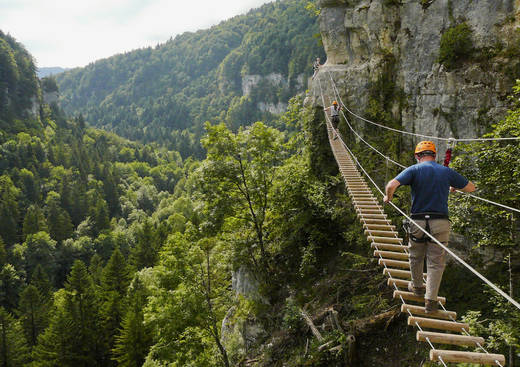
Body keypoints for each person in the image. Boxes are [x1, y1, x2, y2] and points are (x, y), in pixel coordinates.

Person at [383, 141, 475, 313]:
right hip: (440, 222)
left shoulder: (414, 169)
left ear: (417, 156)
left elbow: (391, 185)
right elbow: (471, 188)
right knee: (436, 262)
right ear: (434, 155)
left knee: (416, 256)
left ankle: (417, 288)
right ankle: (430, 302)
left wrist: (389, 198)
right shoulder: (445, 171)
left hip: (418, 221)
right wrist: (454, 186)